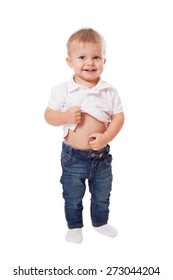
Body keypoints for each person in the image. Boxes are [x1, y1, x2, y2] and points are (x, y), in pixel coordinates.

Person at [44, 28, 124, 244]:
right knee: (72, 194)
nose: (90, 63)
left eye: (96, 57)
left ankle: (100, 222)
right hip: (73, 157)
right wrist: (65, 115)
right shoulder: (63, 90)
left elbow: (118, 117)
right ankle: (74, 226)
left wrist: (106, 137)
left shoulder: (109, 91)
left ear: (104, 61)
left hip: (101, 157)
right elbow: (49, 116)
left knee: (101, 194)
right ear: (69, 61)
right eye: (82, 57)